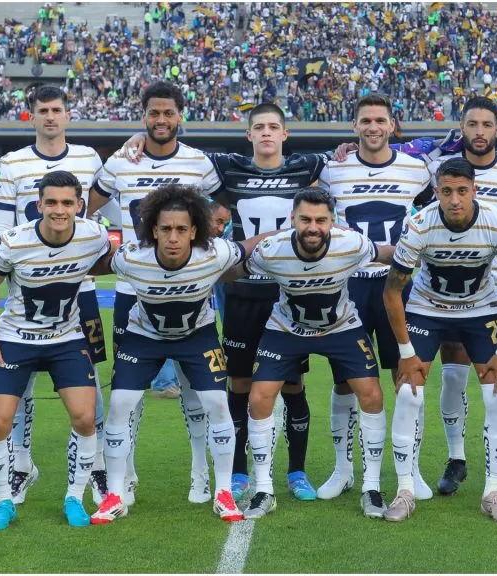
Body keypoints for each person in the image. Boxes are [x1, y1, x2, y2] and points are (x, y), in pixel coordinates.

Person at [124, 103, 330, 502]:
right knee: (239, 383)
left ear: (285, 134)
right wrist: (139, 138)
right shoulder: (228, 168)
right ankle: (236, 471)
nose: (266, 133)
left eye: (274, 127)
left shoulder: (307, 167)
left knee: (292, 384)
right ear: (248, 134)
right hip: (243, 292)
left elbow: (348, 156)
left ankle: (297, 471)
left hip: (289, 292)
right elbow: (172, 148)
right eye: (259, 128)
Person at [89, 184, 273, 524]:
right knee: (120, 405)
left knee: (217, 403)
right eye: (165, 229)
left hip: (196, 337)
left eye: (181, 229)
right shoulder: (132, 257)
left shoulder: (214, 253)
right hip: (144, 336)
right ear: (152, 230)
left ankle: (223, 492)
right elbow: (93, 264)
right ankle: (114, 494)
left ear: (194, 231)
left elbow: (251, 245)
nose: (173, 237)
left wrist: (294, 228)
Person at [88, 81, 221, 506]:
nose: (161, 120)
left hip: (190, 289)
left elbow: (220, 211)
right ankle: (124, 476)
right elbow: (86, 209)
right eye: (153, 113)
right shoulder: (119, 162)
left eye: (168, 113)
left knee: (194, 389)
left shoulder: (200, 163)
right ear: (142, 115)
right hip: (134, 290)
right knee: (129, 393)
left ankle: (201, 472)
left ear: (181, 115)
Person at [383, 158, 497, 523]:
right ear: (437, 192)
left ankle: (492, 492)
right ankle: (404, 490)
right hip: (429, 308)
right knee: (408, 391)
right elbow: (392, 292)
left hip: (480, 309)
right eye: (447, 191)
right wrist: (405, 352)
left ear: (475, 190)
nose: (455, 200)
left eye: (463, 191)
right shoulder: (419, 225)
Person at [240, 188, 395, 520]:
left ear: (332, 221)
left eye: (321, 220)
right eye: (306, 219)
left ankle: (370, 486)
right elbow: (235, 268)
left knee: (371, 393)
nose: (313, 227)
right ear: (292, 219)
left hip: (341, 326)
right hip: (285, 329)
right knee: (259, 397)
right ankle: (264, 489)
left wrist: (428, 252)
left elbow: (386, 253)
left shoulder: (350, 244)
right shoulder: (271, 250)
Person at [0, 85, 111, 508]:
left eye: (57, 109)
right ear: (32, 115)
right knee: (18, 384)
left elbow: (103, 217)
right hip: (27, 292)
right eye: (42, 110)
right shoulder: (11, 164)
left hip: (80, 290)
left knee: (89, 380)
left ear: (67, 114)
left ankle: (94, 465)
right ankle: (22, 463)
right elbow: (2, 229)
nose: (50, 116)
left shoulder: (89, 158)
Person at [0, 170, 113, 531]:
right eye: (51, 202)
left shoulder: (93, 234)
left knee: (86, 419)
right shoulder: (14, 242)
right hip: (15, 339)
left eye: (67, 202)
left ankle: (74, 496)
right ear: (38, 205)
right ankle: (3, 501)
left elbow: (108, 259)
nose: (59, 209)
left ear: (79, 206)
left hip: (66, 339)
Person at [317, 93, 435, 502]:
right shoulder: (334, 170)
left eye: (379, 120)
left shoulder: (417, 170)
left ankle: (410, 469)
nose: (372, 127)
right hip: (347, 286)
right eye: (365, 120)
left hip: (397, 286)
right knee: (344, 381)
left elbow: (432, 211)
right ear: (354, 127)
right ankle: (343, 468)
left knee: (407, 377)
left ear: (392, 125)